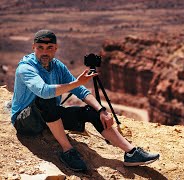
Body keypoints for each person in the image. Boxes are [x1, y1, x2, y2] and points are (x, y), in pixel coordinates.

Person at [11, 29, 160, 172]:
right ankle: (67, 150)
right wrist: (77, 82)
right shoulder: (26, 67)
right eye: (40, 47)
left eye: (49, 47)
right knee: (46, 100)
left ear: (56, 48)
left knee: (92, 111)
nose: (45, 51)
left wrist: (101, 110)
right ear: (33, 47)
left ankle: (131, 153)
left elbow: (81, 91)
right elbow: (43, 91)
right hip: (25, 121)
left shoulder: (57, 66)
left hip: (47, 117)